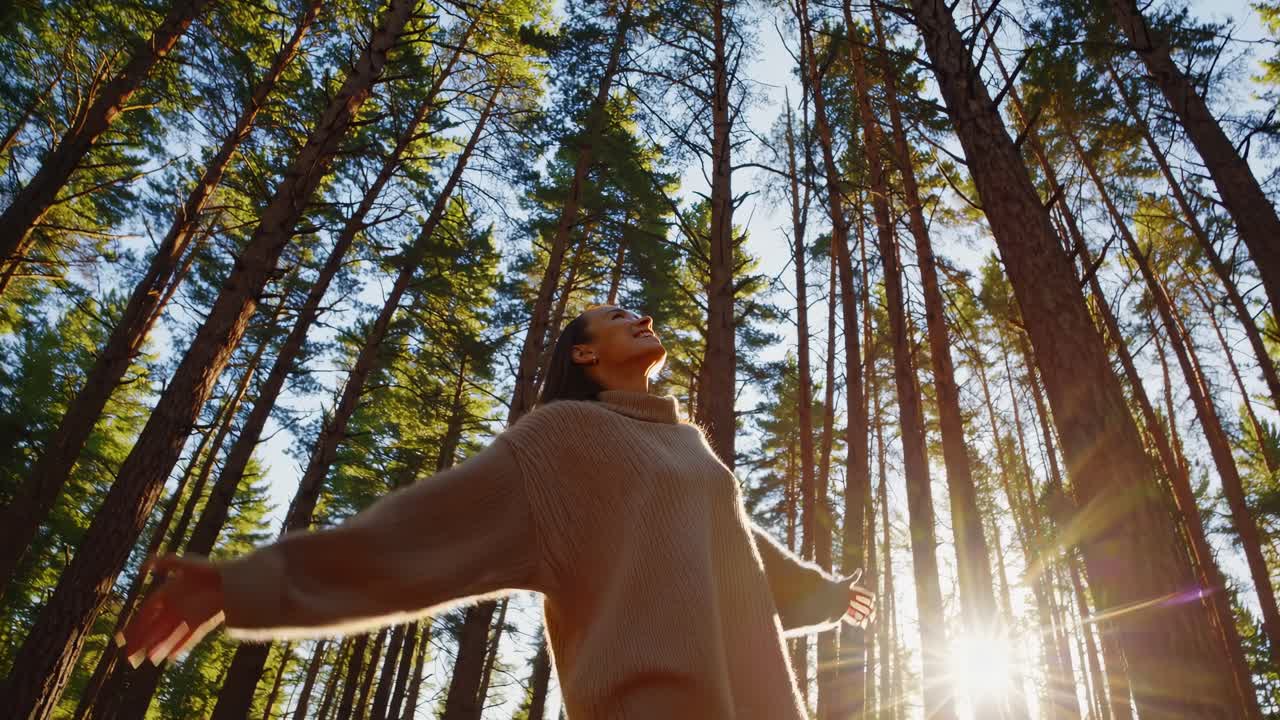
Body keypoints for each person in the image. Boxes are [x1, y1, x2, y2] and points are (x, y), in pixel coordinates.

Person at [118, 303, 876, 718]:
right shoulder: (564, 438)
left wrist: (825, 595)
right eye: (617, 315)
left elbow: (741, 554)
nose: (639, 314)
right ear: (584, 355)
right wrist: (243, 584)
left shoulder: (692, 451)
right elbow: (412, 538)